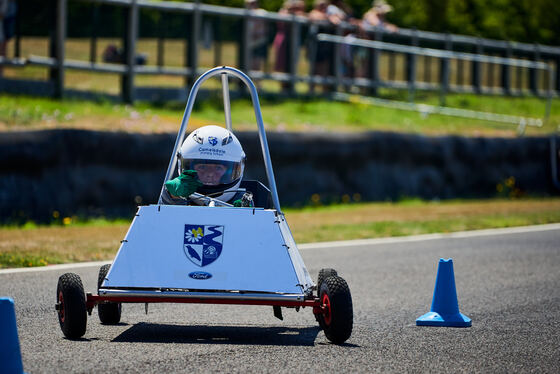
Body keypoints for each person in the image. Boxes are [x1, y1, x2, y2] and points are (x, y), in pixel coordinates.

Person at [160, 125, 253, 207]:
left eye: (218, 168)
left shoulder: (244, 204)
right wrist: (172, 196)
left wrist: (242, 214)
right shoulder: (174, 198)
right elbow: (163, 218)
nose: (210, 174)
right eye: (202, 167)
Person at [245, 0, 269, 73]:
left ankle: (258, 83)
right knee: (249, 63)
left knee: (257, 63)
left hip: (259, 42)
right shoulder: (246, 13)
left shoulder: (262, 12)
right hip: (250, 42)